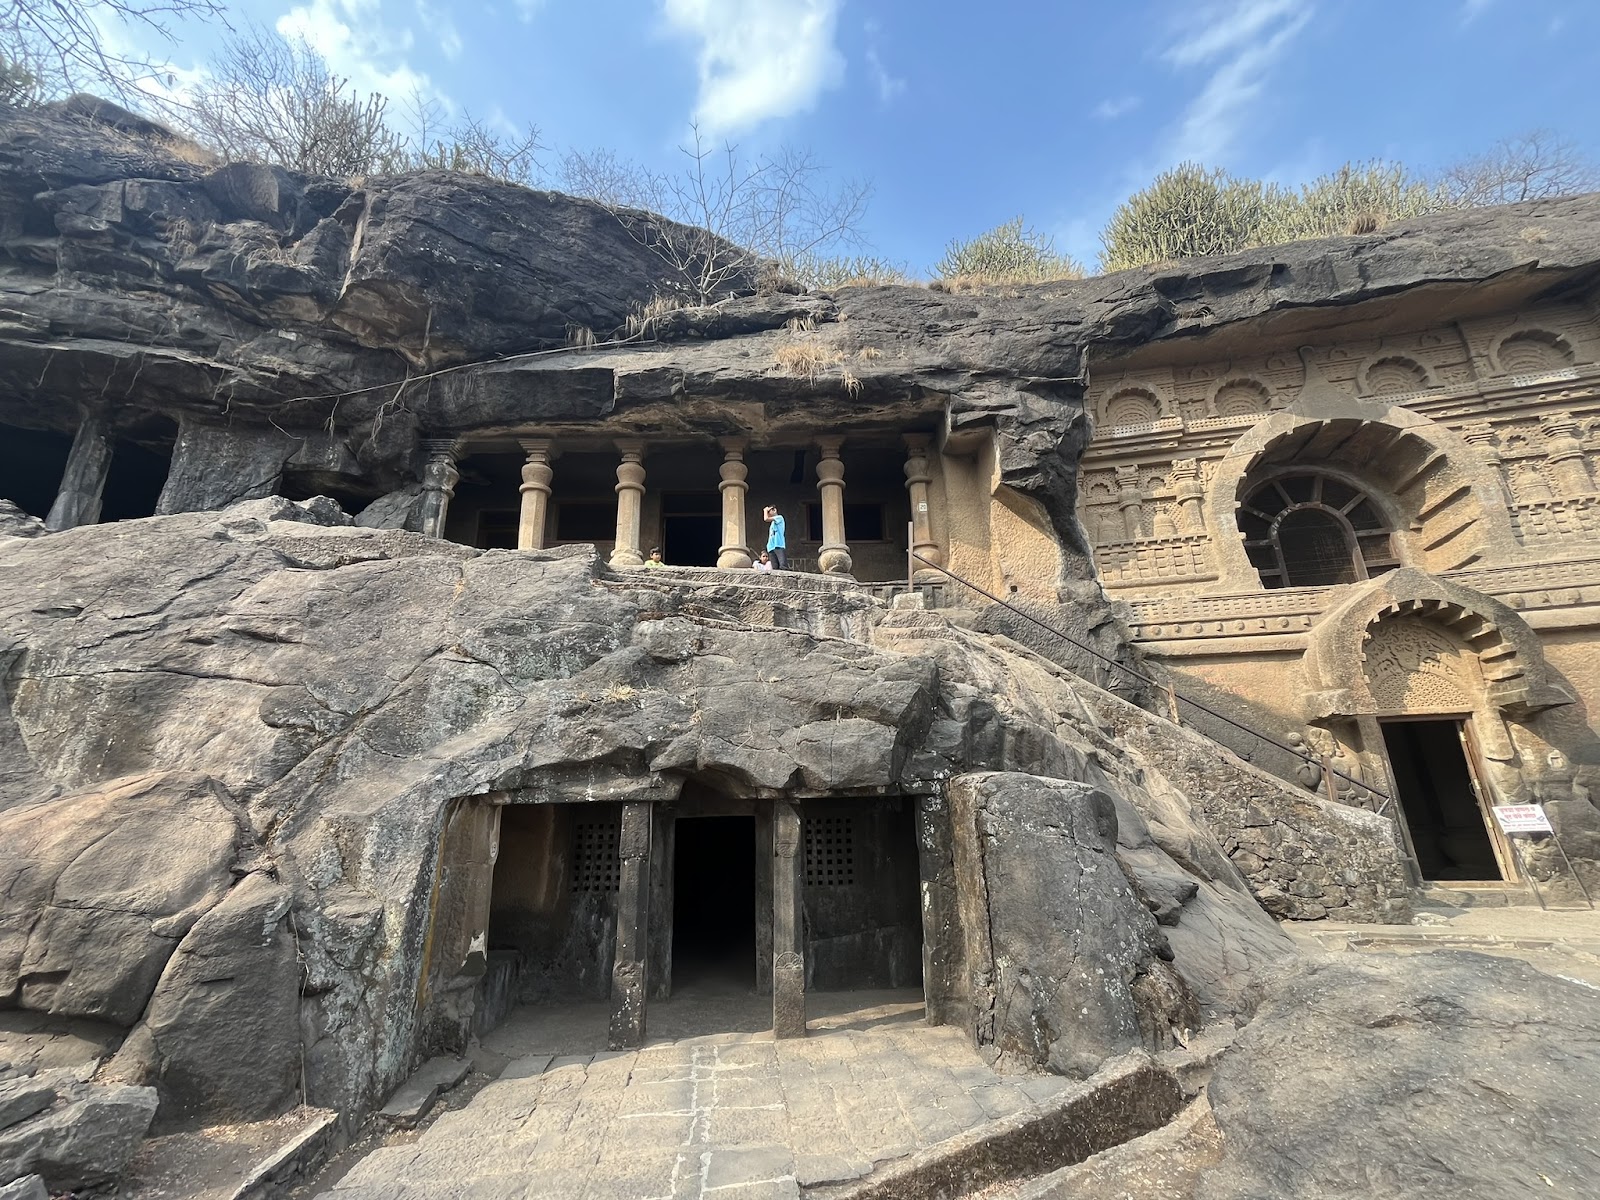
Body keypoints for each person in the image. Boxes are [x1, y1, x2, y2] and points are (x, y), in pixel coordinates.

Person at [762, 505, 787, 570]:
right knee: (775, 567)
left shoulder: (779, 517)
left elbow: (766, 519)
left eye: (769, 512)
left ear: (774, 510)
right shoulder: (772, 523)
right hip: (771, 546)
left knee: (783, 565)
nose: (768, 514)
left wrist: (765, 510)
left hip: (778, 544)